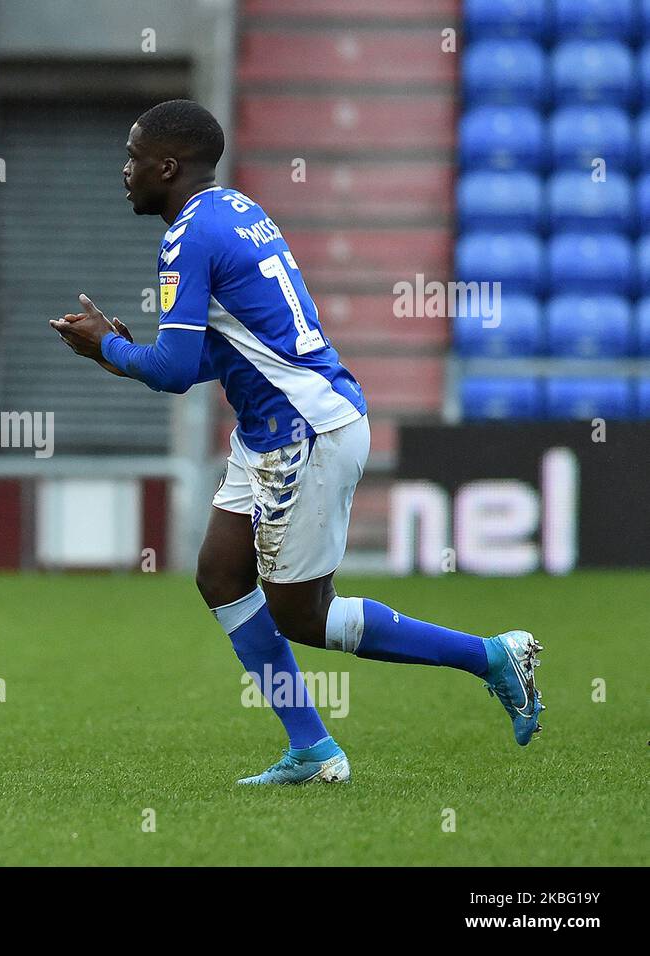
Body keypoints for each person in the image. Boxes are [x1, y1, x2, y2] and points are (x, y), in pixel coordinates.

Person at [50, 99, 542, 784]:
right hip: (272, 428)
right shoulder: (237, 212)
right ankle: (313, 749)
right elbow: (211, 358)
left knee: (302, 617)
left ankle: (491, 655)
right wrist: (122, 350)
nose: (124, 170)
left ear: (168, 165)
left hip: (303, 431)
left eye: (133, 157)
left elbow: (172, 373)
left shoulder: (188, 237)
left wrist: (108, 347)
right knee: (221, 575)